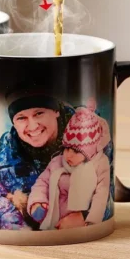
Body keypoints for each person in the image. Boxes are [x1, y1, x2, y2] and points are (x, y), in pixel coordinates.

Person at [0, 82, 76, 226]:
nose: (33, 126)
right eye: (21, 118)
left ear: (56, 111)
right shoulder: (6, 156)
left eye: (39, 113)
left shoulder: (89, 134)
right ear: (14, 123)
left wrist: (83, 216)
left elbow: (103, 189)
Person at [27, 99, 111, 230]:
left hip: (77, 226)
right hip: (51, 220)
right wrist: (37, 202)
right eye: (66, 148)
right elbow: (42, 182)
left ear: (90, 151)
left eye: (76, 151)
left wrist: (90, 222)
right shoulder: (58, 162)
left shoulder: (100, 165)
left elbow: (102, 194)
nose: (68, 155)